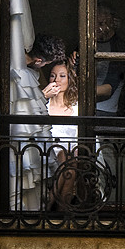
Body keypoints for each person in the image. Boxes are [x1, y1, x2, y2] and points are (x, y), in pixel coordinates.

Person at [43, 59, 79, 209]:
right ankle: (61, 211)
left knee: (71, 158)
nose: (56, 80)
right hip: (50, 149)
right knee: (67, 159)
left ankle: (51, 207)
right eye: (53, 76)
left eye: (62, 76)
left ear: (70, 79)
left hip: (75, 150)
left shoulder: (78, 107)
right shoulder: (43, 106)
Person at [94, 5, 125, 116]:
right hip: (81, 105)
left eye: (101, 24)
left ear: (112, 23)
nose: (96, 28)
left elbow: (109, 89)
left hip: (105, 110)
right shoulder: (88, 43)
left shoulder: (119, 48)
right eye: (94, 23)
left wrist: (73, 92)